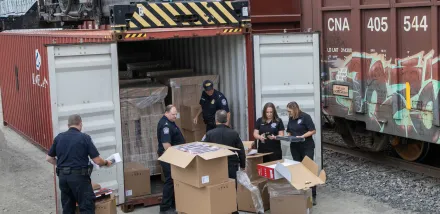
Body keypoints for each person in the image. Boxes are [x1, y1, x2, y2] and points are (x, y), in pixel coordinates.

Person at [46, 114, 112, 214]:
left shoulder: (59, 138)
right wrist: (106, 162)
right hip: (79, 179)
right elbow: (97, 161)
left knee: (68, 208)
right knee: (86, 207)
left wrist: (61, 165)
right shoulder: (84, 138)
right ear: (80, 124)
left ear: (68, 125)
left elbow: (49, 158)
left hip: (63, 178)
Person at [202, 110, 245, 214]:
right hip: (232, 166)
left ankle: (219, 210)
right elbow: (241, 151)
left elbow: (202, 150)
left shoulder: (209, 134)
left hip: (216, 167)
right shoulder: (234, 133)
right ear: (226, 120)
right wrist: (243, 165)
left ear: (216, 120)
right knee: (231, 190)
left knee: (218, 190)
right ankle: (233, 210)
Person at [286, 101, 318, 206]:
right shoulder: (291, 119)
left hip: (306, 146)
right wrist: (288, 136)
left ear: (295, 109)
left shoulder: (306, 117)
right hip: (295, 147)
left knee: (308, 169)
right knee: (298, 169)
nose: (288, 113)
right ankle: (301, 192)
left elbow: (313, 131)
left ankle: (313, 194)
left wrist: (303, 136)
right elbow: (289, 130)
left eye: (289, 111)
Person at [157, 105, 185, 214]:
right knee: (170, 180)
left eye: (176, 114)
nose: (175, 116)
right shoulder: (166, 126)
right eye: (173, 114)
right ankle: (165, 208)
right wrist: (175, 158)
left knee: (173, 180)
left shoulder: (170, 122)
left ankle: (173, 204)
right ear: (166, 113)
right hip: (169, 157)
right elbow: (166, 146)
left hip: (172, 156)